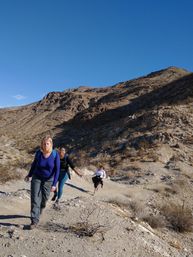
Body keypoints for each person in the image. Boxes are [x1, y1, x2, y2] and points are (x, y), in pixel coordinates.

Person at [24, 135, 60, 229]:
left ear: (51, 144)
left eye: (47, 143)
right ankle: (34, 221)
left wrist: (54, 184)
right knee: (35, 198)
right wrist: (29, 175)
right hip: (37, 177)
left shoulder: (55, 154)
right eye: (44, 143)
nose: (45, 145)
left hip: (49, 180)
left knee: (44, 199)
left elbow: (57, 170)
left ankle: (40, 209)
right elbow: (34, 164)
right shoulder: (39, 153)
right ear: (42, 144)